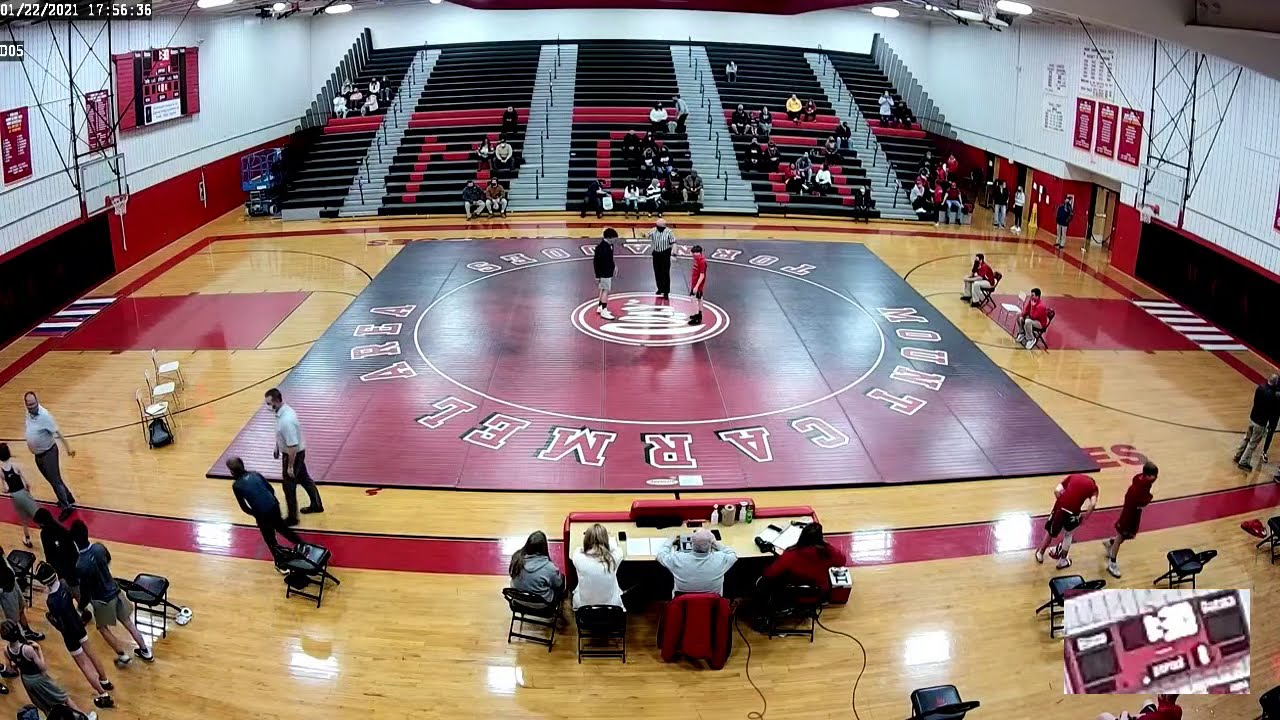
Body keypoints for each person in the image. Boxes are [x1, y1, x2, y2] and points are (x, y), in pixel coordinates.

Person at [70, 522, 154, 666]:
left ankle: (122, 655)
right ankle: (145, 650)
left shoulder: (80, 565)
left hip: (102, 600)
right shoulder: (99, 547)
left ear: (74, 540)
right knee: (128, 622)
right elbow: (107, 560)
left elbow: (85, 591)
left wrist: (80, 608)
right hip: (115, 591)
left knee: (102, 628)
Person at [35, 563, 113, 709]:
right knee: (92, 653)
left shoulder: (51, 600)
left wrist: (52, 621)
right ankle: (105, 680)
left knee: (83, 664)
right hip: (78, 624)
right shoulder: (64, 584)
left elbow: (60, 623)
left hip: (69, 634)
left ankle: (103, 694)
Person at [2, 620, 98, 720]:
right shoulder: (27, 649)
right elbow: (42, 667)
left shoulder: (6, 650)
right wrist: (39, 649)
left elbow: (10, 669)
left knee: (45, 706)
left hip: (26, 679)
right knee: (64, 697)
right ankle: (84, 717)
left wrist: (19, 663)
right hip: (39, 678)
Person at [264, 388, 324, 524]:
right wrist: (277, 446)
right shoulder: (282, 411)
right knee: (304, 479)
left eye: (269, 403)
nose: (268, 407)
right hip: (294, 452)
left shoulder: (287, 420)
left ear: (277, 401)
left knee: (288, 486)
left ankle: (292, 518)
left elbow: (292, 446)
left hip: (293, 455)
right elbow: (282, 434)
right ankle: (317, 504)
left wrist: (290, 466)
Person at [226, 456, 303, 552]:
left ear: (232, 472)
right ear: (243, 465)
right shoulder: (255, 474)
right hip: (274, 506)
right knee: (284, 529)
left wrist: (256, 514)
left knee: (269, 538)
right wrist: (273, 502)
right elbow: (270, 489)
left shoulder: (236, 485)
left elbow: (244, 507)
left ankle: (278, 555)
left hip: (262, 514)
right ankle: (303, 544)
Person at [23, 392, 76, 521]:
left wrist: (68, 448)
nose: (31, 407)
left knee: (55, 481)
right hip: (38, 454)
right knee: (53, 479)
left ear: (37, 401)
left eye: (33, 404)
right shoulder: (28, 414)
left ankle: (66, 507)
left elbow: (57, 432)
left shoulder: (45, 415)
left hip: (49, 453)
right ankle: (68, 497)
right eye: (28, 404)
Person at [1103, 461, 1159, 578]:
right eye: (1154, 475)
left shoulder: (1141, 479)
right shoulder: (1141, 486)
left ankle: (1110, 544)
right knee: (1121, 535)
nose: (1156, 478)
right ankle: (1112, 563)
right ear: (1148, 475)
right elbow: (1141, 501)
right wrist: (1148, 499)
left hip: (1132, 509)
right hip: (1131, 512)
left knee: (1125, 535)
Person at [1034, 473, 1098, 569]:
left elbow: (1056, 491)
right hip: (1073, 512)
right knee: (1068, 535)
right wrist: (1085, 517)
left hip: (1060, 508)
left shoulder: (1072, 477)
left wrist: (1062, 503)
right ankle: (1063, 560)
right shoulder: (1094, 487)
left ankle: (1040, 553)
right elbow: (1092, 504)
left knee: (1050, 532)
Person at [761, 523, 846, 593]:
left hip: (794, 591)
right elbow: (842, 561)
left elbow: (770, 573)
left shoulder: (791, 554)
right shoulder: (828, 551)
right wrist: (828, 545)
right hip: (818, 591)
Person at [657, 529, 737, 596]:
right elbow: (733, 555)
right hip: (712, 605)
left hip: (683, 605)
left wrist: (670, 541)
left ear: (691, 544)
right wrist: (715, 542)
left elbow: (660, 555)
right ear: (710, 545)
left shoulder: (677, 559)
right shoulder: (721, 559)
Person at [35, 510, 80, 611]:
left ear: (42, 522)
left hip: (64, 571)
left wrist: (55, 571)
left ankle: (82, 611)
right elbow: (73, 550)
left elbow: (49, 555)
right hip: (71, 567)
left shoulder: (45, 534)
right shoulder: (61, 529)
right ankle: (82, 609)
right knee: (75, 591)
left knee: (70, 592)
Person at [570, 524, 624, 610]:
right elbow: (618, 549)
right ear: (605, 541)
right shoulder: (613, 558)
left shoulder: (578, 557)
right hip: (611, 607)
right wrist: (605, 543)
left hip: (585, 607)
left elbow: (579, 549)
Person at [0, 547, 44, 650]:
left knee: (21, 609)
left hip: (12, 583)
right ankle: (21, 643)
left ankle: (27, 632)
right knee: (13, 621)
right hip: (5, 593)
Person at [508, 531, 565, 608]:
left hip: (518, 599)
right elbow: (558, 584)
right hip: (540, 604)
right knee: (563, 583)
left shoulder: (516, 557)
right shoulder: (549, 568)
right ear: (544, 547)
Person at [1235, 375, 1280, 471]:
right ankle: (1243, 462)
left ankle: (1237, 455)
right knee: (1252, 444)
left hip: (1252, 418)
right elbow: (1272, 412)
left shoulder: (1260, 388)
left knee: (1246, 438)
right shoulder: (1272, 396)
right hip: (1260, 423)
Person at [0, 444, 36, 548]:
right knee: (36, 514)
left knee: (24, 520)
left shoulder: (1, 471)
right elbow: (27, 484)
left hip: (15, 497)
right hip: (24, 493)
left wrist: (7, 491)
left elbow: (6, 488)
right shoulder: (15, 465)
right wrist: (29, 493)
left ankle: (27, 539)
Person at [647, 217, 675, 300]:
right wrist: (644, 235)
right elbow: (647, 236)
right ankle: (660, 288)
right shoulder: (653, 230)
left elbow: (673, 242)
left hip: (665, 253)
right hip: (656, 254)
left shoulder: (669, 232)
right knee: (657, 272)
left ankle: (666, 291)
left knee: (665, 273)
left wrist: (674, 250)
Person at [594, 228, 618, 319]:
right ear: (609, 238)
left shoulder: (609, 245)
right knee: (605, 290)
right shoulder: (601, 248)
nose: (615, 240)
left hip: (607, 271)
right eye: (614, 238)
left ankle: (600, 307)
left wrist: (614, 266)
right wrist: (597, 275)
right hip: (604, 272)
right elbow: (596, 262)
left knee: (602, 289)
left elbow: (610, 259)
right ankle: (604, 310)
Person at [687, 244, 708, 326]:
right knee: (699, 299)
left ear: (698, 253)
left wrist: (696, 286)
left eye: (693, 253)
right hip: (695, 283)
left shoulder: (702, 261)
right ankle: (698, 315)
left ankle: (697, 317)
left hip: (698, 285)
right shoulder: (697, 259)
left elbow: (702, 275)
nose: (692, 255)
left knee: (694, 299)